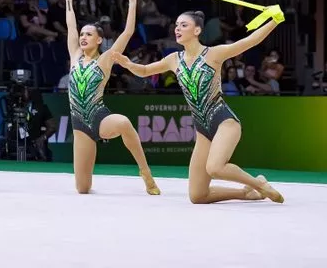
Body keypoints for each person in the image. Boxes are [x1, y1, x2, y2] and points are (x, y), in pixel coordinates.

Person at [114, 10, 284, 204]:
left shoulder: (213, 54)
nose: (177, 28)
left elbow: (249, 41)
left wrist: (274, 21)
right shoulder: (174, 59)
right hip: (203, 130)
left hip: (223, 121)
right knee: (198, 195)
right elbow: (145, 70)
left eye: (183, 25)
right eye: (176, 25)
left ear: (197, 30)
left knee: (215, 167)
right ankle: (246, 192)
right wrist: (128, 64)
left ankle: (260, 185)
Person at [62, 0, 160, 195]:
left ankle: (145, 172)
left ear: (99, 39)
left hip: (98, 118)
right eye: (83, 34)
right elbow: (71, 26)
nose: (83, 37)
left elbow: (128, 32)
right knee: (82, 189)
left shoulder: (105, 60)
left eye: (89, 34)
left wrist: (132, 1)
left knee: (124, 122)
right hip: (80, 125)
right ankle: (87, 179)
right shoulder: (75, 56)